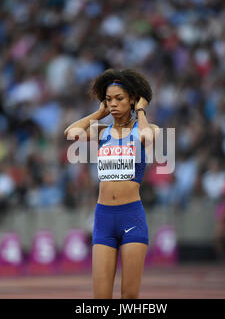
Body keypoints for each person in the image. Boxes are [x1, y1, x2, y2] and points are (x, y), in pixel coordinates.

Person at [64, 69, 160, 299]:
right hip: (104, 217)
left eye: (119, 99)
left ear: (133, 99)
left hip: (131, 216)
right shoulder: (102, 131)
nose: (113, 104)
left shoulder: (145, 128)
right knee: (101, 298)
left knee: (129, 296)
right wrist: (98, 113)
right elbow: (71, 133)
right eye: (109, 100)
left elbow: (147, 138)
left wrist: (141, 110)